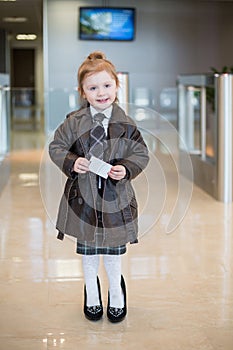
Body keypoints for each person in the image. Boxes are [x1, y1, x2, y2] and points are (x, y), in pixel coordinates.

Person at [49, 51, 149, 323]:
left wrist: (126, 169)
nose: (101, 93)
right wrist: (72, 161)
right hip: (84, 199)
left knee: (113, 251)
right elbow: (56, 147)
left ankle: (116, 292)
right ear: (83, 92)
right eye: (93, 88)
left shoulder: (127, 124)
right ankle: (91, 292)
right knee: (89, 250)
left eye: (106, 85)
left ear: (117, 85)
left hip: (115, 199)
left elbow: (141, 154)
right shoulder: (73, 121)